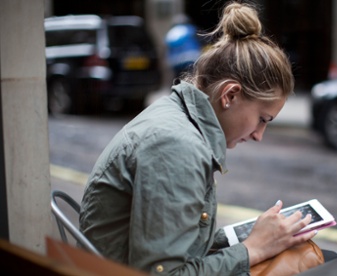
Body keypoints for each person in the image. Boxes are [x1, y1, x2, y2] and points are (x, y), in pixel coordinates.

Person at [80, 2, 322, 275]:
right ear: (230, 95)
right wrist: (252, 249)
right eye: (262, 119)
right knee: (315, 260)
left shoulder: (174, 111)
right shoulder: (178, 147)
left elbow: (178, 240)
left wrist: (253, 237)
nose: (258, 136)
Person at [165, 14, 203, 78]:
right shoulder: (190, 29)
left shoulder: (170, 32)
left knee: (177, 77)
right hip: (191, 57)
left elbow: (167, 46)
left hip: (175, 60)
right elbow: (202, 39)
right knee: (192, 77)